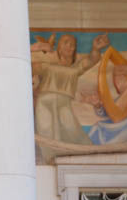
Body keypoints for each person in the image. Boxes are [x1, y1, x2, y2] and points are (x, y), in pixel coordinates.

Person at [31, 33, 110, 161]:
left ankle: (88, 157)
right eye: (65, 42)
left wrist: (96, 49)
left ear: (74, 50)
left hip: (64, 103)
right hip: (44, 102)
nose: (69, 46)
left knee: (71, 128)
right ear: (59, 48)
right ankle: (50, 160)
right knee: (46, 130)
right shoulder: (45, 66)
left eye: (72, 44)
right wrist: (36, 47)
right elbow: (28, 64)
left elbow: (90, 61)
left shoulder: (75, 70)